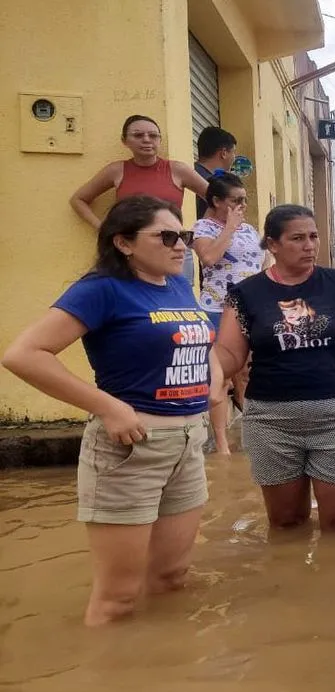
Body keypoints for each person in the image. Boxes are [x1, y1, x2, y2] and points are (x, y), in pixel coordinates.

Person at [2, 196, 223, 626]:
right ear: (123, 243)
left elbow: (200, 334)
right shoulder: (101, 289)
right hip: (130, 448)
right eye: (167, 236)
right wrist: (107, 406)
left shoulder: (177, 281)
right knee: (118, 598)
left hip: (188, 444)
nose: (181, 246)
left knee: (172, 578)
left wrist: (214, 376)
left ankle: (166, 673)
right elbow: (24, 355)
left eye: (185, 236)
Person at [213, 205, 335, 532]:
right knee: (286, 523)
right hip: (271, 422)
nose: (310, 245)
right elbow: (229, 353)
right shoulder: (246, 294)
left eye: (313, 236)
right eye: (297, 238)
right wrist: (208, 366)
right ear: (273, 245)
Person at [70, 115, 209, 282]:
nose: (146, 140)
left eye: (153, 135)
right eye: (137, 135)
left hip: (173, 247)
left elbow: (217, 199)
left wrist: (204, 231)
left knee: (178, 302)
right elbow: (78, 199)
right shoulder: (116, 171)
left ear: (160, 140)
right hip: (132, 251)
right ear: (125, 141)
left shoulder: (178, 169)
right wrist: (103, 228)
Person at [191, 173, 264, 455]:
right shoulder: (203, 228)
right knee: (218, 376)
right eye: (235, 201)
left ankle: (253, 434)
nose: (241, 206)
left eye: (244, 200)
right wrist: (229, 228)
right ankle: (222, 445)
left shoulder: (249, 230)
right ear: (217, 201)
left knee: (246, 373)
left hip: (249, 310)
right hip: (217, 309)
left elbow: (261, 263)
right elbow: (208, 258)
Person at [193, 126, 238, 219]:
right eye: (233, 152)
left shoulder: (189, 173)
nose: (234, 157)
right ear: (224, 153)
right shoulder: (215, 184)